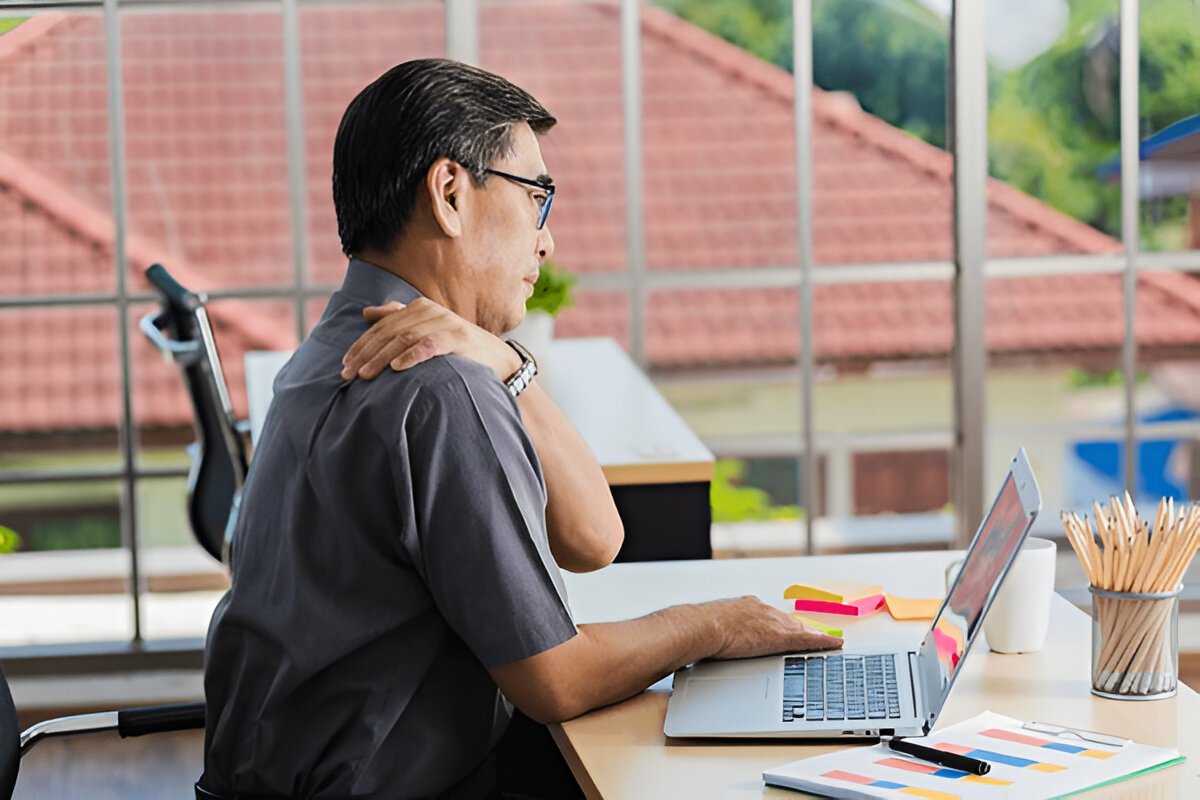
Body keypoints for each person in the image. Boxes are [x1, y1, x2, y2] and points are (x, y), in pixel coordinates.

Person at [198, 58, 841, 800]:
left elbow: (594, 541)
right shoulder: (439, 389)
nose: (547, 240)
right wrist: (716, 625)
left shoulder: (325, 350)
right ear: (449, 195)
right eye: (536, 197)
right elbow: (556, 680)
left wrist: (505, 359)